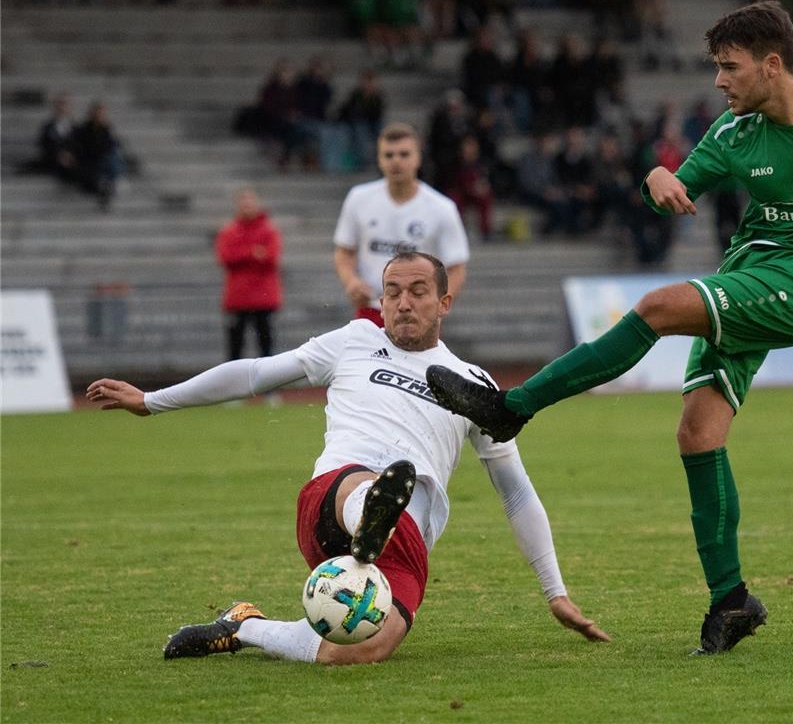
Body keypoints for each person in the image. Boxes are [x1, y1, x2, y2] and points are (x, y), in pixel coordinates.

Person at [426, 0, 793, 655]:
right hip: (752, 269)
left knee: (654, 307)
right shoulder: (733, 136)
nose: (717, 81)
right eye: (715, 67)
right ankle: (730, 600)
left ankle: (513, 408)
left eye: (728, 67)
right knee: (696, 433)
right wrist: (656, 175)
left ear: (772, 64)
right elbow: (674, 187)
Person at [86, 251, 609, 665]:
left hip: (406, 545)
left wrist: (555, 591)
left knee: (358, 652)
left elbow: (514, 491)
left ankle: (243, 627)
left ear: (444, 303)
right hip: (332, 497)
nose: (402, 303)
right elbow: (254, 374)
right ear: (380, 300)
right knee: (368, 484)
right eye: (392, 292)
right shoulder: (354, 341)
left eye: (418, 292)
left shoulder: (475, 385)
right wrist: (152, 401)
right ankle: (371, 512)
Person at [334, 123, 469, 326]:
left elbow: (456, 268)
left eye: (404, 154)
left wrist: (437, 307)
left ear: (418, 157)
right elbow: (344, 251)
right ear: (379, 159)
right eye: (388, 155)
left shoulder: (442, 208)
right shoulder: (358, 199)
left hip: (418, 314)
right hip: (372, 310)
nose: (396, 161)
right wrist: (351, 281)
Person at [215, 187, 283, 361]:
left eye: (250, 201)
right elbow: (225, 257)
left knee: (266, 345)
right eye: (243, 202)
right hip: (239, 298)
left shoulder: (269, 231)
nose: (247, 205)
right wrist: (253, 253)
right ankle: (234, 386)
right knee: (235, 347)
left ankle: (268, 385)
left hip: (263, 298)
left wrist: (243, 254)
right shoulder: (229, 231)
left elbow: (272, 257)